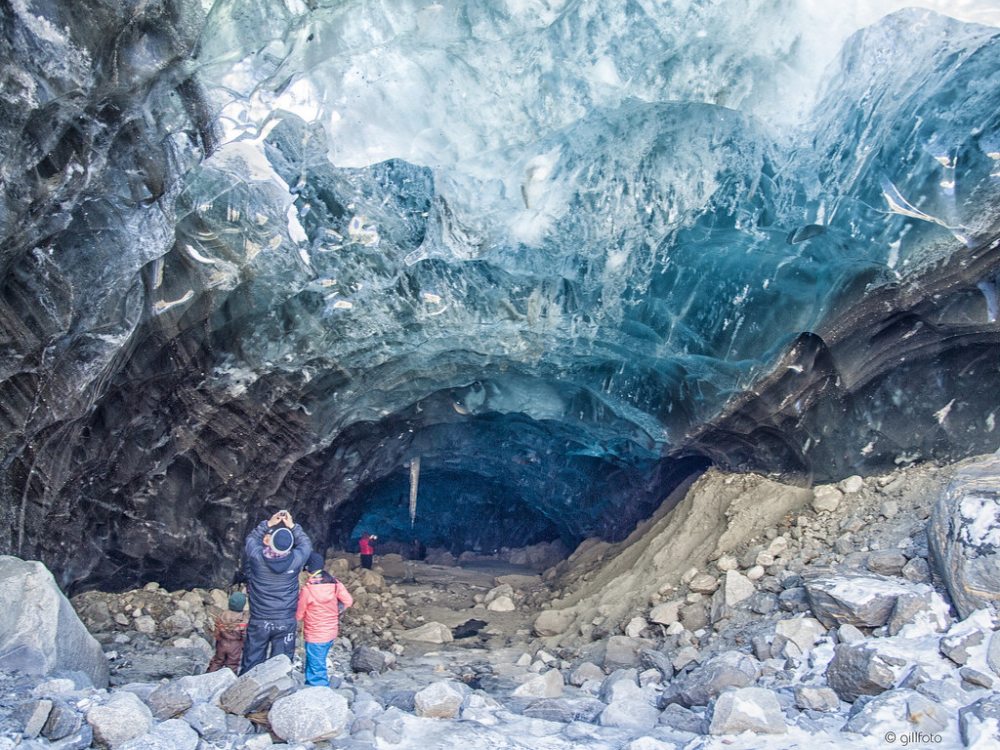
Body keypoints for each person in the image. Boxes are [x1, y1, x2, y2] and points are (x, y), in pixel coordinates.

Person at [240, 509, 312, 674]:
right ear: (290, 545)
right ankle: (278, 694)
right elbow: (306, 545)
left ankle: (246, 693)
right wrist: (292, 526)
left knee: (252, 661)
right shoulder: (295, 560)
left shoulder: (257, 558)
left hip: (260, 620)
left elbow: (251, 540)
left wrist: (268, 524)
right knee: (281, 665)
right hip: (285, 621)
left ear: (269, 542)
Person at [296, 552, 353, 687]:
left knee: (317, 666)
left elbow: (299, 614)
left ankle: (320, 693)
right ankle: (310, 684)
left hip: (315, 634)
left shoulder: (308, 590)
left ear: (308, 570)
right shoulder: (334, 583)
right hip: (331, 631)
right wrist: (336, 610)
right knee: (315, 660)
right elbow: (348, 601)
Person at [206, 591, 248, 673]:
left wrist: (218, 640)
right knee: (232, 664)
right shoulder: (243, 619)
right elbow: (244, 635)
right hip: (235, 645)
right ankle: (230, 680)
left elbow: (217, 630)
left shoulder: (222, 615)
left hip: (222, 642)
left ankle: (208, 675)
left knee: (217, 661)